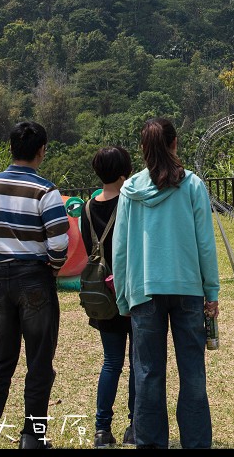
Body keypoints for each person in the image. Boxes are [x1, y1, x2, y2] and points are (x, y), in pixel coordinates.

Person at [112, 117, 220, 449]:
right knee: (192, 375)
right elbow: (205, 243)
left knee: (147, 375)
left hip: (144, 291)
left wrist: (122, 299)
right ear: (175, 144)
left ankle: (150, 443)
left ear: (143, 150)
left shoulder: (130, 191)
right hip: (188, 289)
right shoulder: (192, 186)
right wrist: (211, 291)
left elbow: (120, 249)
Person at [0, 121, 70, 450]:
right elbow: (59, 245)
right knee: (39, 361)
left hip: (0, 279)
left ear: (10, 149)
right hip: (36, 279)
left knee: (0, 359)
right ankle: (32, 436)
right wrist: (50, 270)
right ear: (42, 150)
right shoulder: (46, 190)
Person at [83, 146, 137, 448]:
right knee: (136, 362)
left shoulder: (88, 208)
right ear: (124, 171)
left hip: (102, 295)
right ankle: (134, 425)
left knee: (111, 362)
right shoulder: (131, 202)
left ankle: (102, 429)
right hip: (130, 290)